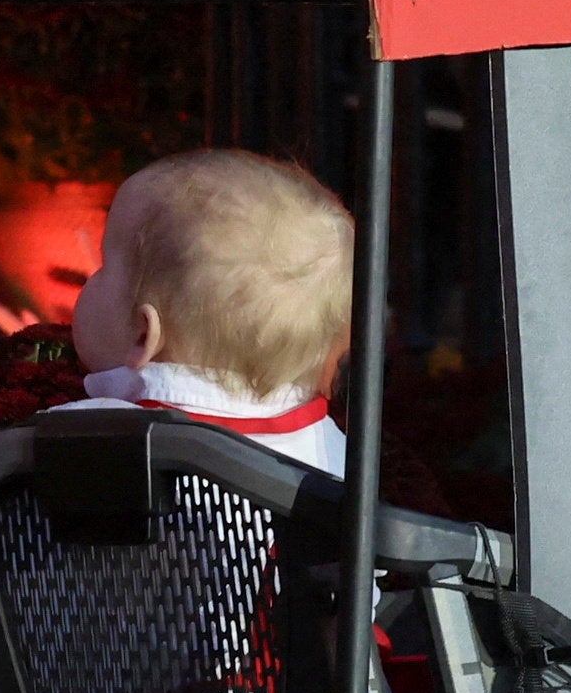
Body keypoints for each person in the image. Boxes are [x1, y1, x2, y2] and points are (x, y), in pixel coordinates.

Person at [65, 150, 355, 477]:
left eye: (103, 266)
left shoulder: (89, 438)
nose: (91, 277)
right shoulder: (338, 455)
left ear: (144, 334)